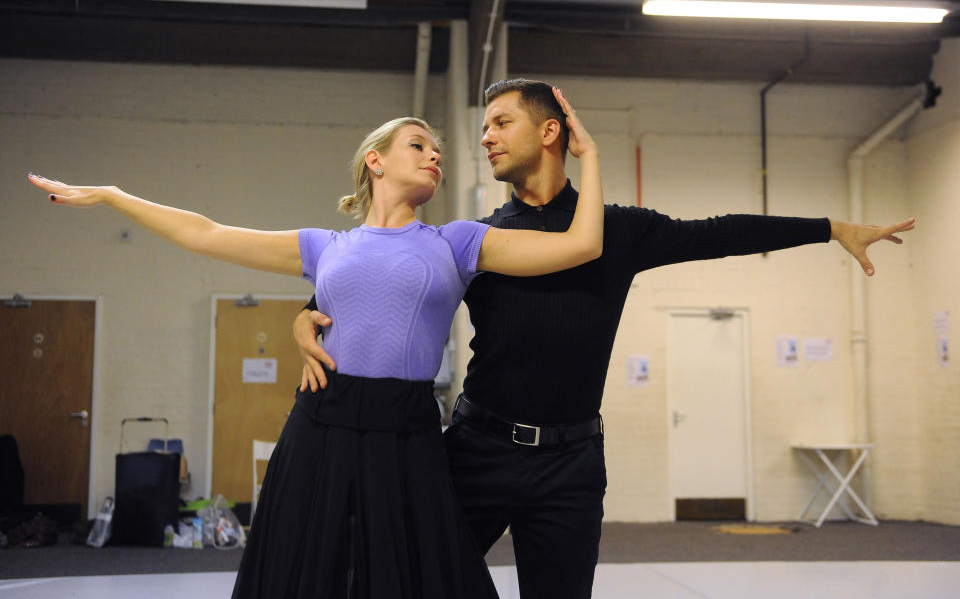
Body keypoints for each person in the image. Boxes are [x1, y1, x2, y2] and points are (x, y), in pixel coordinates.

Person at [294, 79, 916, 599]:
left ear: (550, 132)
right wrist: (306, 313)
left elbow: (719, 232)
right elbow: (377, 278)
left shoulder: (619, 231)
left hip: (570, 464)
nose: (484, 137)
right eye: (485, 126)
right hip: (475, 451)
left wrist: (831, 227)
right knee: (418, 585)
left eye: (501, 122)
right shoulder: (476, 239)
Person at [25, 87, 605, 599]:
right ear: (375, 161)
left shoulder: (457, 242)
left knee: (412, 573)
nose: (435, 156)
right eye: (418, 144)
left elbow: (581, 245)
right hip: (319, 423)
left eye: (438, 152)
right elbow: (205, 234)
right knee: (306, 569)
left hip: (403, 431)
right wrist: (112, 195)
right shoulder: (325, 246)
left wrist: (590, 156)